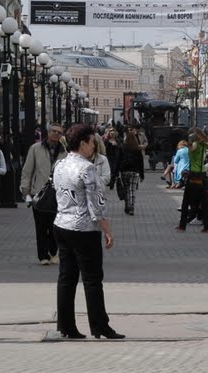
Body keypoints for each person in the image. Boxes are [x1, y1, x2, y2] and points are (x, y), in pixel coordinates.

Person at [52, 124, 122, 340]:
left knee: (66, 277)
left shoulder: (60, 164)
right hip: (84, 229)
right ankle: (100, 325)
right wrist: (108, 230)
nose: (95, 147)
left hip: (61, 224)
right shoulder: (87, 168)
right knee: (92, 279)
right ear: (82, 143)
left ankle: (66, 326)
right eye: (92, 142)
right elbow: (97, 205)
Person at [21, 124, 65, 264]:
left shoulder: (65, 151)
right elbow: (27, 171)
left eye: (59, 132)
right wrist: (25, 190)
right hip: (38, 193)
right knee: (40, 226)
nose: (56, 134)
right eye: (54, 131)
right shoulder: (35, 149)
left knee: (56, 226)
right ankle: (43, 256)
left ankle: (52, 251)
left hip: (58, 194)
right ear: (48, 132)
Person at [176, 131, 208, 232]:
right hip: (203, 175)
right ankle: (207, 227)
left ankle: (182, 225)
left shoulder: (195, 144)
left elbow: (192, 148)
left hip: (194, 176)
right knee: (204, 202)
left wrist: (189, 142)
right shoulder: (205, 145)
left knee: (186, 201)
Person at [116, 130, 146, 216]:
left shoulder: (123, 147)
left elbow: (118, 160)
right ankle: (132, 207)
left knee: (126, 189)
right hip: (135, 171)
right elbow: (141, 162)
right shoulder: (137, 148)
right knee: (132, 189)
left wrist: (116, 172)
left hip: (124, 171)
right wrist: (142, 174)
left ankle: (127, 206)